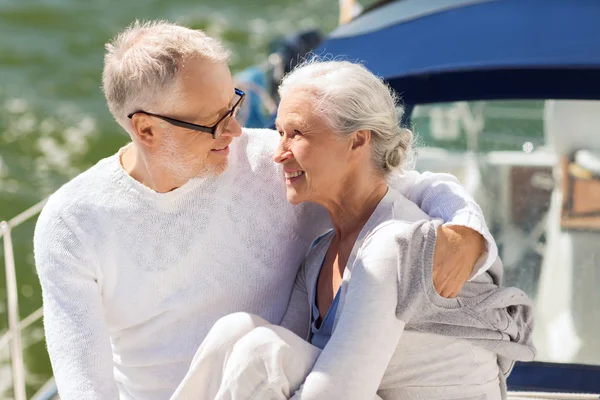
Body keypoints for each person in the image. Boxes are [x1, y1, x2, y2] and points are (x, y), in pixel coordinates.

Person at [34, 21, 497, 400]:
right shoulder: (72, 221)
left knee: (253, 345)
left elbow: (396, 183)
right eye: (214, 120)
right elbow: (85, 390)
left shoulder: (274, 162)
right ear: (147, 131)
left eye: (233, 104)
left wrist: (467, 232)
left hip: (271, 383)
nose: (236, 131)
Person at [171, 60, 535, 400]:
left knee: (261, 351)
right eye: (279, 133)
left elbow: (337, 393)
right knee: (235, 331)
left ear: (358, 141)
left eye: (296, 133)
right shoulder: (319, 257)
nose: (278, 153)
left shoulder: (393, 243)